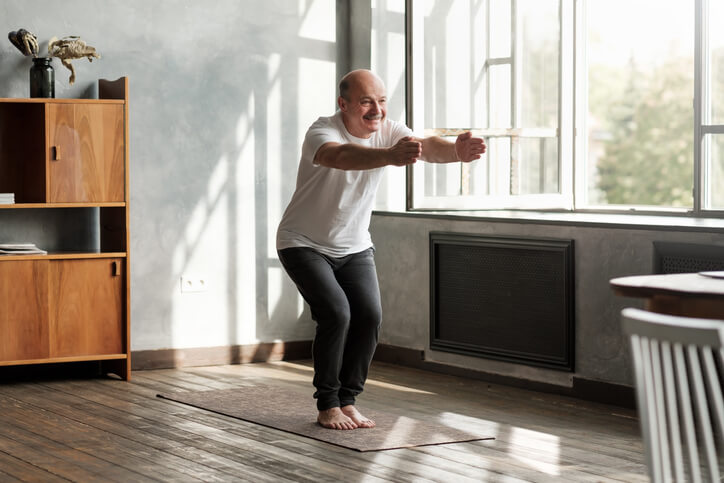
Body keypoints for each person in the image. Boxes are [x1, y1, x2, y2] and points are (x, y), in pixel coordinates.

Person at [276, 69, 485, 430]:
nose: (377, 110)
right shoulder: (321, 131)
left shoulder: (389, 130)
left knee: (369, 317)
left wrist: (455, 151)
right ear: (343, 104)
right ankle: (327, 404)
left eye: (382, 101)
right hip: (302, 242)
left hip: (354, 246)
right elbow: (340, 157)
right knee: (336, 313)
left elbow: (424, 147)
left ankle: (348, 399)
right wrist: (389, 156)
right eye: (365, 102)